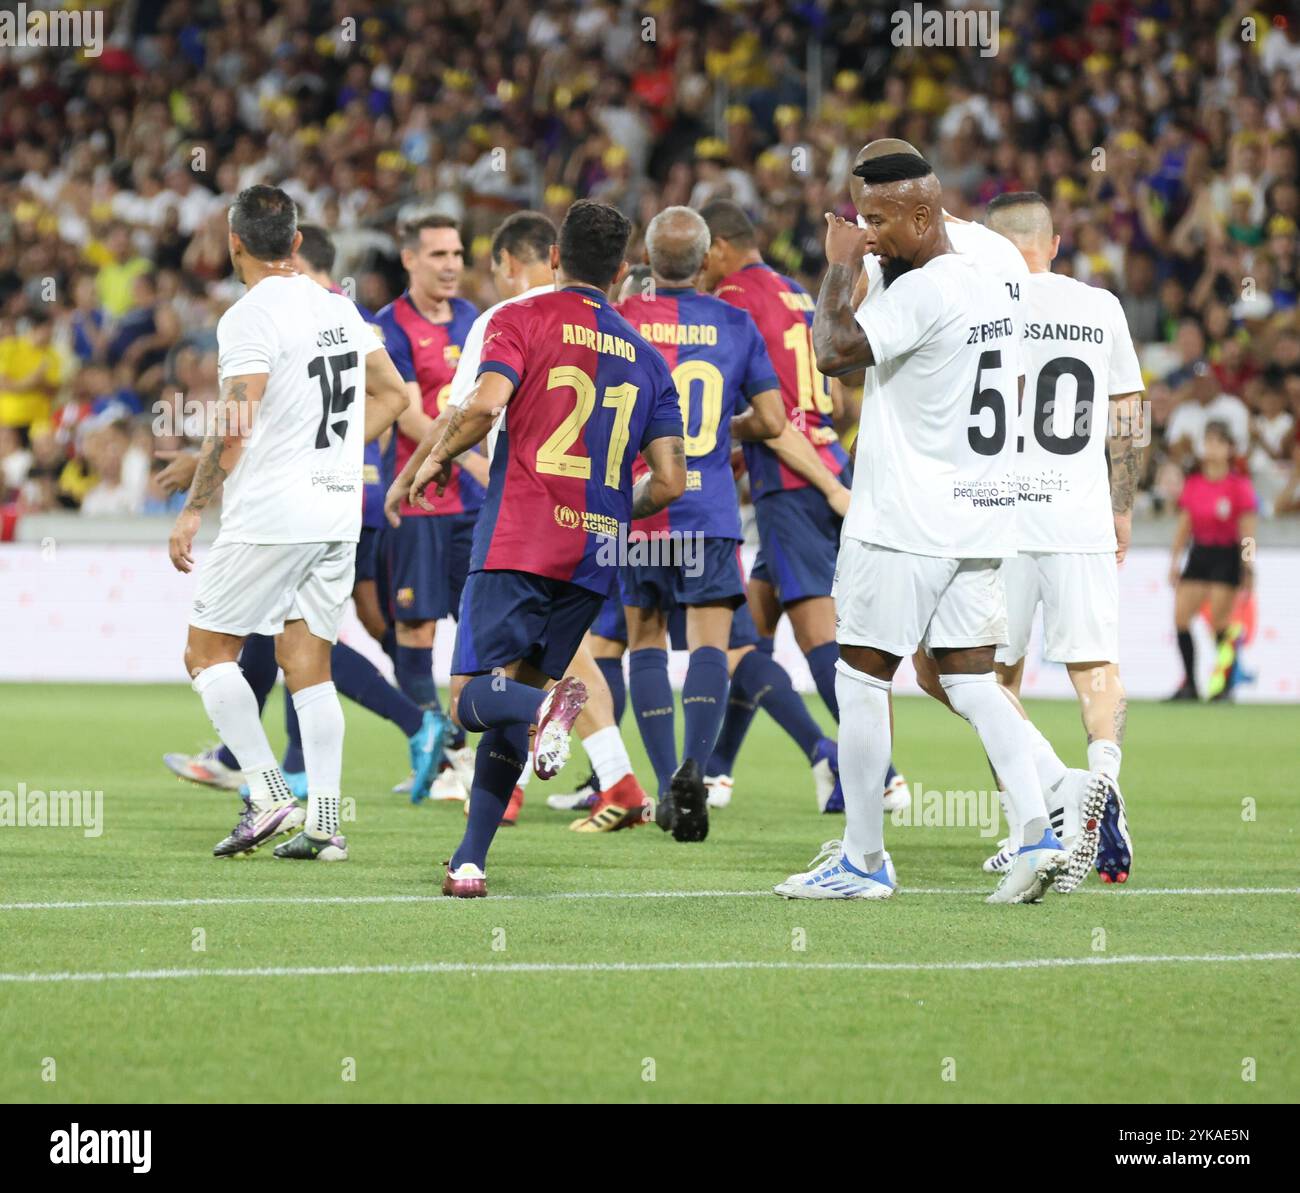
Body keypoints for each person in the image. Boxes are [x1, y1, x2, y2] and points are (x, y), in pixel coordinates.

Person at [779, 152, 1075, 904]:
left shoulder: (927, 290)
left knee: (860, 677)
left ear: (922, 215)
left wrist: (840, 267)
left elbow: (832, 352)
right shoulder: (998, 265)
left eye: (877, 219)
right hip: (978, 513)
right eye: (860, 219)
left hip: (905, 519)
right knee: (973, 680)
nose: (866, 232)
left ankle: (863, 859)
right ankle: (1039, 832)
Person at [392, 199, 686, 895]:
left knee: (471, 697)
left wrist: (433, 460)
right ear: (620, 272)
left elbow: (487, 403)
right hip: (596, 553)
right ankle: (470, 859)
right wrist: (618, 506)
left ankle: (543, 714)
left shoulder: (518, 319)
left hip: (520, 533)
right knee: (513, 689)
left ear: (554, 258)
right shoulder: (648, 358)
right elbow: (670, 479)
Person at [166, 185, 412, 861]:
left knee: (206, 652)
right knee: (307, 661)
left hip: (273, 510)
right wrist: (328, 452)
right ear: (298, 242)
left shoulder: (249, 316)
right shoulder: (336, 305)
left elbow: (237, 419)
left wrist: (193, 506)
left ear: (233, 243)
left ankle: (269, 792)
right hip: (336, 510)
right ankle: (326, 822)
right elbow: (395, 394)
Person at [696, 199, 909, 809]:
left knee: (822, 641)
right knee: (752, 634)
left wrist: (713, 432)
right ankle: (716, 769)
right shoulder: (793, 293)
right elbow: (837, 406)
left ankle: (881, 774)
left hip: (797, 487)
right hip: (816, 469)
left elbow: (773, 418)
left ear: (716, 249)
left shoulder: (732, 301)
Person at [982, 191, 1143, 885]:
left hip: (999, 516)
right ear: (1053, 243)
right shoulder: (1099, 305)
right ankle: (1103, 784)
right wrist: (1124, 506)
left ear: (994, 248)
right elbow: (1128, 414)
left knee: (989, 677)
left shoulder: (980, 307)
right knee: (1094, 665)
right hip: (1078, 512)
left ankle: (1038, 818)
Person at [614, 206, 787, 837]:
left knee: (646, 640)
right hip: (709, 509)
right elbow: (771, 420)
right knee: (712, 645)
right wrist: (718, 431)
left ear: (651, 258)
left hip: (640, 509)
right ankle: (698, 768)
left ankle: (664, 785)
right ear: (707, 255)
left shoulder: (624, 322)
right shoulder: (737, 324)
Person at [373, 215, 477, 749]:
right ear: (409, 258)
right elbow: (409, 415)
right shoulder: (388, 327)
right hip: (420, 500)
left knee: (483, 627)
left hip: (477, 506)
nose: (452, 265)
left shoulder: (476, 320)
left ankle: (468, 745)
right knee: (416, 629)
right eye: (439, 254)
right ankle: (438, 751)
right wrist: (473, 460)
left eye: (457, 254)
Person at [1168, 421, 1258, 701]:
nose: (1211, 448)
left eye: (1218, 442)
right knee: (1181, 617)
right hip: (1200, 553)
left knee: (1219, 623)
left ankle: (1224, 686)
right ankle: (1190, 685)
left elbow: (1248, 533)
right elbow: (1184, 526)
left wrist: (1248, 565)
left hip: (1226, 555)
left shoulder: (1238, 486)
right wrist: (1175, 561)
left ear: (1230, 449)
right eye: (1207, 442)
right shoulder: (1194, 484)